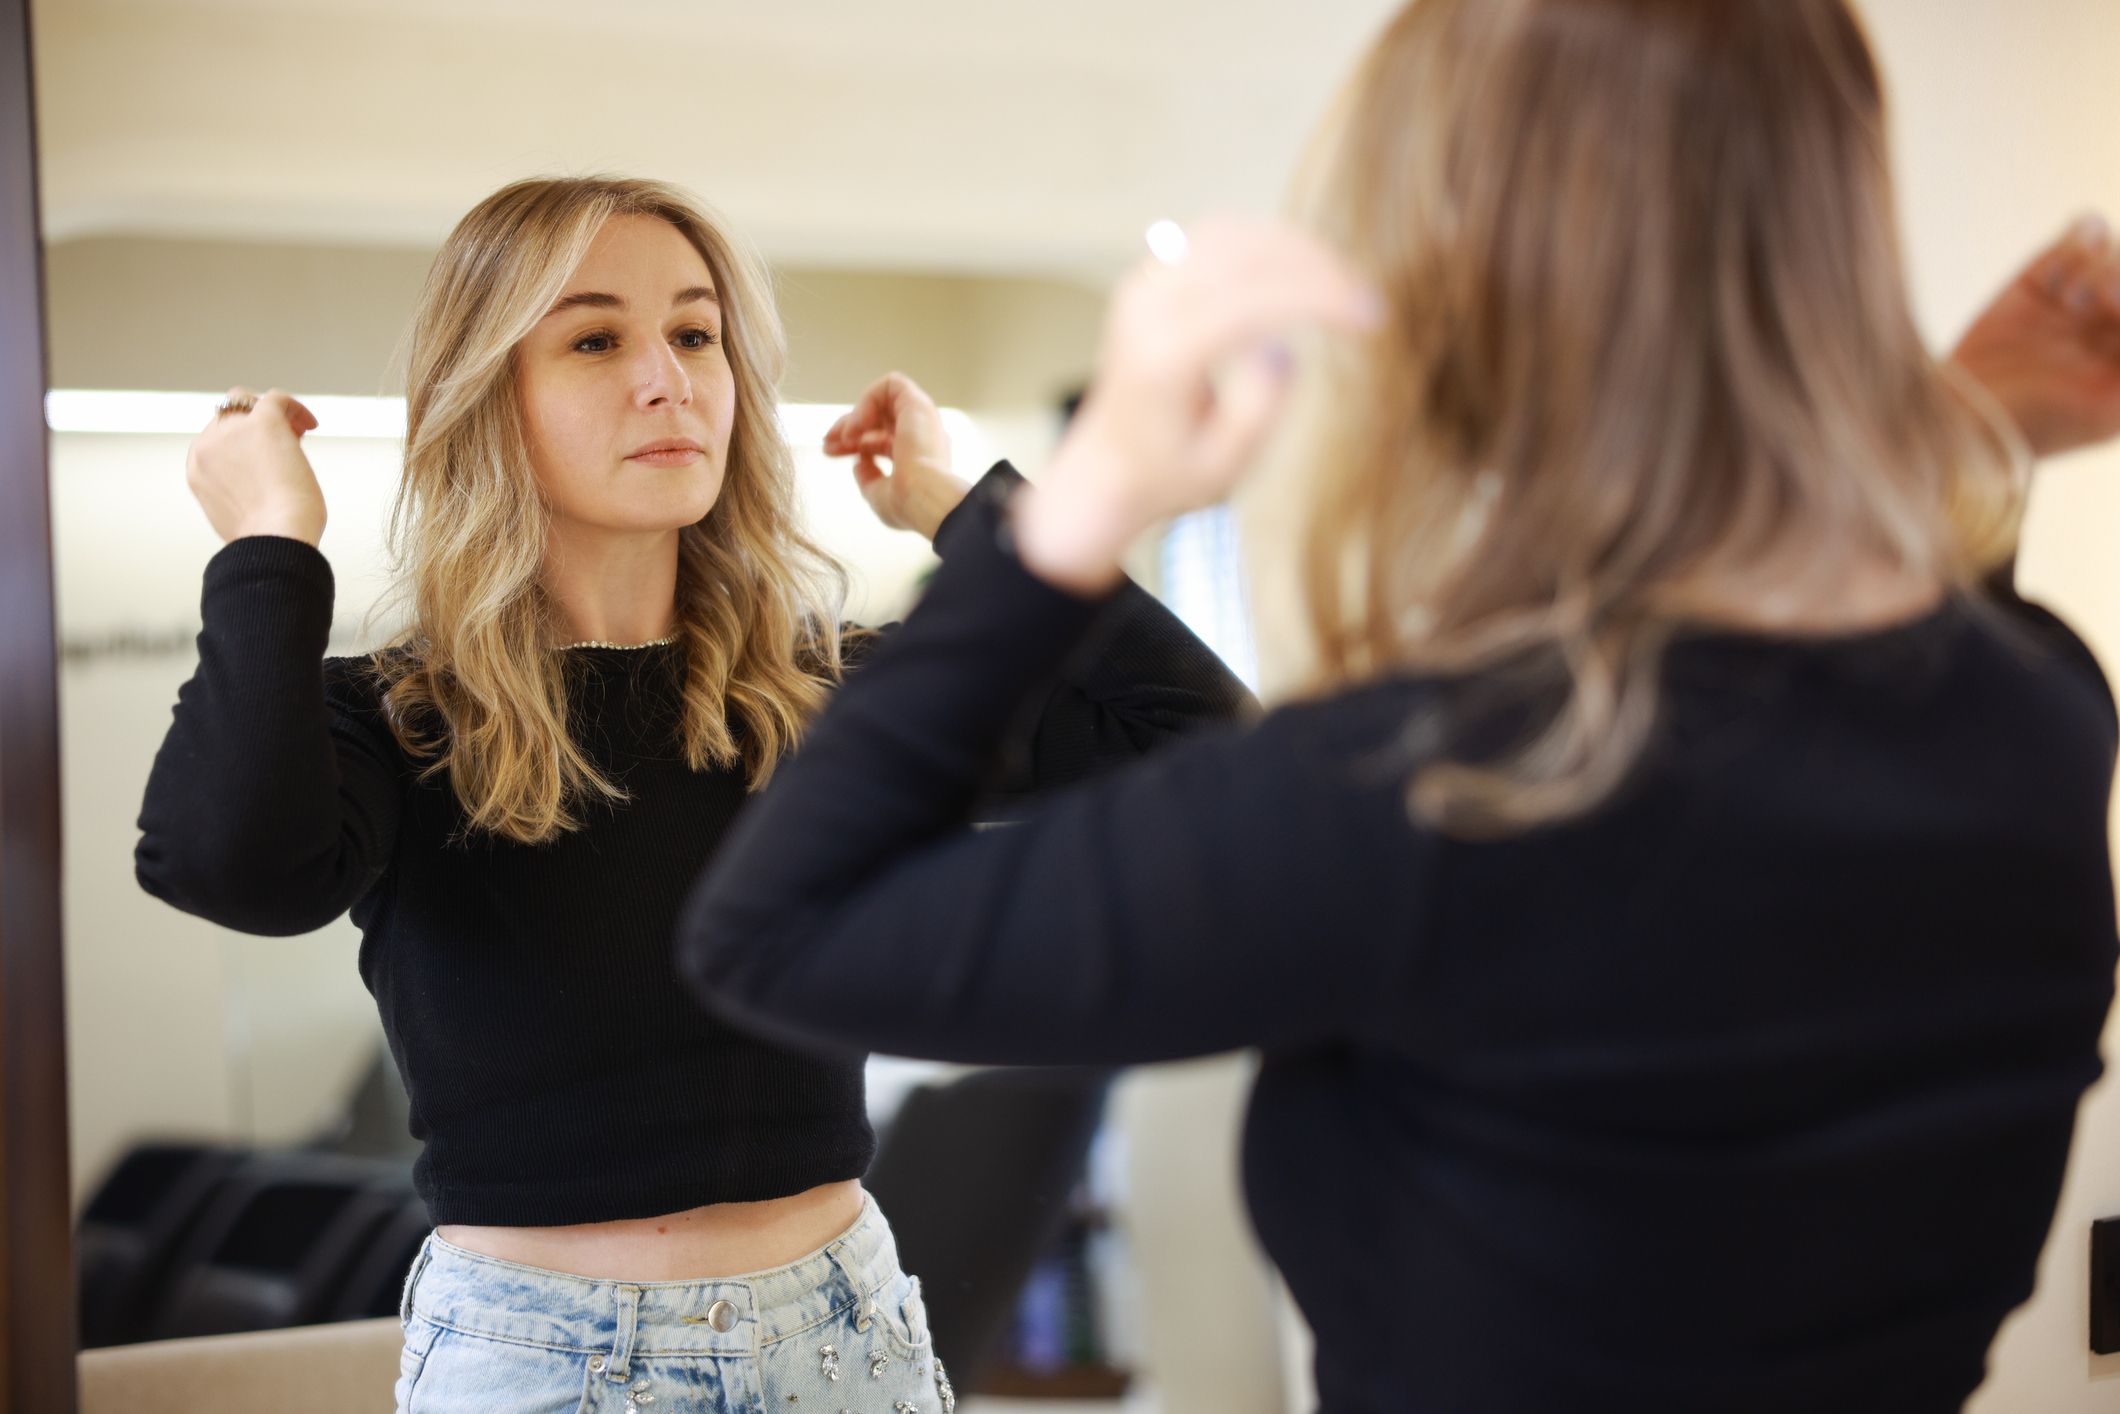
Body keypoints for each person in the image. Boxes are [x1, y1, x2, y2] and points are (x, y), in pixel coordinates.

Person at [676, 2, 2120, 1409]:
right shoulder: (2037, 708)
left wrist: (1081, 507)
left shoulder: (1443, 785)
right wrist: (1949, 426)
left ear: (1454, 288)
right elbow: (1816, 650)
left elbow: (777, 930)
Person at [133, 175, 1250, 1412]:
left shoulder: (823, 692)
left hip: (846, 1342)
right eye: (594, 339)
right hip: (543, 1363)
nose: (666, 379)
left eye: (695, 333)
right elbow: (231, 865)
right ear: (488, 396)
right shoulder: (398, 717)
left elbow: (1197, 740)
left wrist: (963, 506)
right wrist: (268, 547)